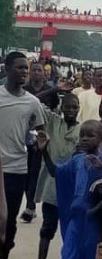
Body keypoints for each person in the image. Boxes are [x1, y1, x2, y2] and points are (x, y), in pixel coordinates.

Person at [40, 120, 102, 259]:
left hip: (96, 219)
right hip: (78, 220)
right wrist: (44, 151)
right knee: (70, 258)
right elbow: (56, 172)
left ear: (101, 139)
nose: (85, 138)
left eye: (90, 135)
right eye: (82, 135)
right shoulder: (76, 160)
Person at [0, 52, 46, 259]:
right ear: (6, 69)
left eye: (26, 68)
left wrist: (38, 141)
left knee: (8, 222)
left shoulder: (32, 102)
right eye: (19, 68)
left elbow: (40, 130)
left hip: (17, 168)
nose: (24, 72)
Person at [32, 92, 81, 259]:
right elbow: (35, 102)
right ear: (61, 107)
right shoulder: (52, 122)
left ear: (79, 109)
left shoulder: (82, 129)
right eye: (67, 106)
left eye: (74, 107)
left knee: (70, 231)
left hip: (72, 187)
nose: (71, 110)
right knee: (47, 228)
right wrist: (55, 89)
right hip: (51, 186)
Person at [22, 60, 60, 222]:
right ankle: (29, 203)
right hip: (24, 134)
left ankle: (31, 205)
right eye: (35, 70)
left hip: (42, 134)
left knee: (36, 171)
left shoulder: (50, 91)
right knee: (26, 171)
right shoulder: (24, 89)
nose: (37, 73)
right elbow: (29, 102)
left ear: (45, 74)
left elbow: (55, 110)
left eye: (40, 71)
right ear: (30, 72)